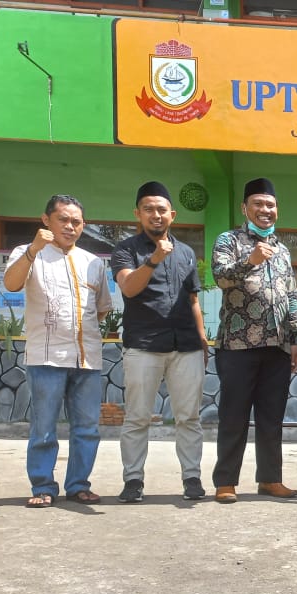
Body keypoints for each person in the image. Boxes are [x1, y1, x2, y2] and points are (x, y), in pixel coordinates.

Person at [3, 194, 112, 508]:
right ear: (46, 220)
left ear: (83, 225)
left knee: (87, 429)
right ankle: (43, 487)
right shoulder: (27, 252)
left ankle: (78, 485)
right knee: (44, 428)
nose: (69, 226)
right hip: (45, 358)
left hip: (87, 358)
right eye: (63, 219)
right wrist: (34, 249)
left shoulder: (93, 262)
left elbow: (102, 309)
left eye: (76, 221)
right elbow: (11, 284)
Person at [110, 181, 208, 504]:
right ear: (137, 214)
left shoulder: (186, 252)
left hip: (186, 346)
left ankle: (192, 478)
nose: (156, 215)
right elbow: (129, 288)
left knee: (189, 417)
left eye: (162, 210)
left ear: (172, 215)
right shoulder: (125, 250)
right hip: (143, 345)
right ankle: (133, 480)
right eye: (149, 209)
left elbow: (193, 300)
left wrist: (203, 339)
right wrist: (153, 259)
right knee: (138, 417)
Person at [210, 177, 297, 504]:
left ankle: (270, 479)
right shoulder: (229, 240)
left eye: (270, 205)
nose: (265, 210)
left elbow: (291, 295)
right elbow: (220, 278)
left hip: (277, 346)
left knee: (271, 417)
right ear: (244, 208)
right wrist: (250, 260)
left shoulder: (282, 249)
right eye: (258, 204)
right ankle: (225, 482)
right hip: (237, 346)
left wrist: (294, 339)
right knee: (233, 415)